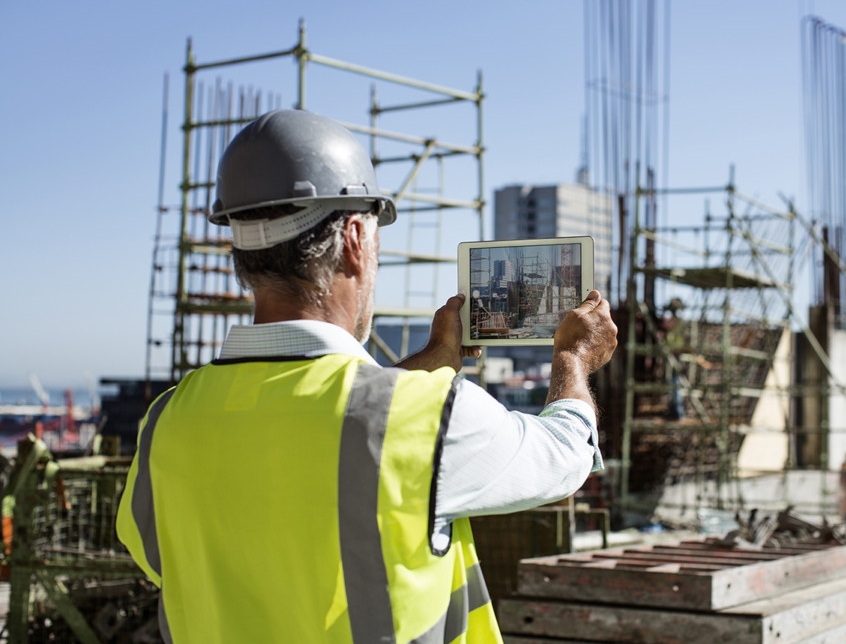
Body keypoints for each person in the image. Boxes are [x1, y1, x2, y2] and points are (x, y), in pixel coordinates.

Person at [116, 108, 618, 643]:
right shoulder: (425, 416)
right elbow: (563, 456)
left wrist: (435, 356)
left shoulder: (167, 421)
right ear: (356, 240)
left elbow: (165, 554)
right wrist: (574, 359)